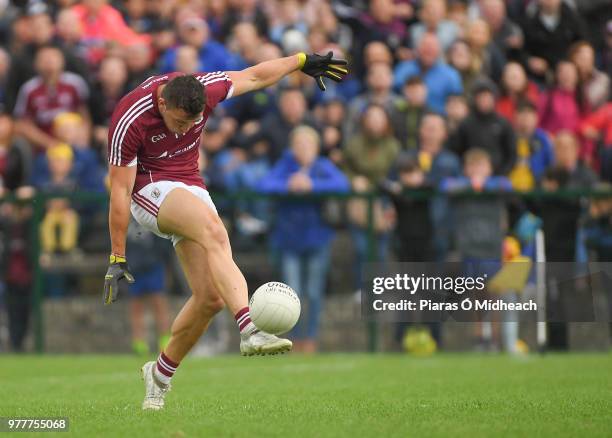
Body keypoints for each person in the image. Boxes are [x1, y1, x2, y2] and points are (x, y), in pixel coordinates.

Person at [102, 51, 348, 410]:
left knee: (209, 299)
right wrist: (117, 255)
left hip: (189, 184)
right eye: (181, 121)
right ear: (163, 101)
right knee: (215, 231)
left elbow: (256, 76)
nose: (187, 129)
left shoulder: (207, 88)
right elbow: (120, 191)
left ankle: (159, 374)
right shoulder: (131, 117)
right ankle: (249, 328)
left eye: (194, 122)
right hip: (148, 189)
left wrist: (300, 59)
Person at [259, 125, 349, 353]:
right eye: (299, 145)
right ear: (292, 147)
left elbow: (342, 184)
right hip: (289, 239)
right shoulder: (285, 166)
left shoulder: (322, 166)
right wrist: (288, 185)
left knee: (315, 291)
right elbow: (264, 184)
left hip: (317, 238)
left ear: (316, 147)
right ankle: (296, 338)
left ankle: (311, 337)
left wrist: (312, 186)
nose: (304, 149)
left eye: (308, 145)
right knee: (293, 291)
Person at [450, 78, 516, 175]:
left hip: (497, 177)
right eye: (480, 97)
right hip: (468, 176)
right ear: (475, 99)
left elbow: (511, 154)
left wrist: (501, 174)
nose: (484, 100)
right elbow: (457, 151)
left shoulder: (503, 123)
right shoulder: (466, 124)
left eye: (487, 96)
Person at [126, 220, 172, 356]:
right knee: (136, 305)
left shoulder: (148, 212)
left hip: (153, 264)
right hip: (134, 266)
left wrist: (161, 258)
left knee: (158, 302)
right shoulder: (123, 214)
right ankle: (139, 342)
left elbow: (162, 239)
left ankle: (164, 339)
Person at [393, 32, 463, 114]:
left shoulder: (450, 75)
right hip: (404, 118)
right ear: (417, 48)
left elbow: (455, 105)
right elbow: (392, 95)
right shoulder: (403, 68)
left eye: (432, 47)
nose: (429, 51)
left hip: (438, 120)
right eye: (425, 47)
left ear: (439, 50)